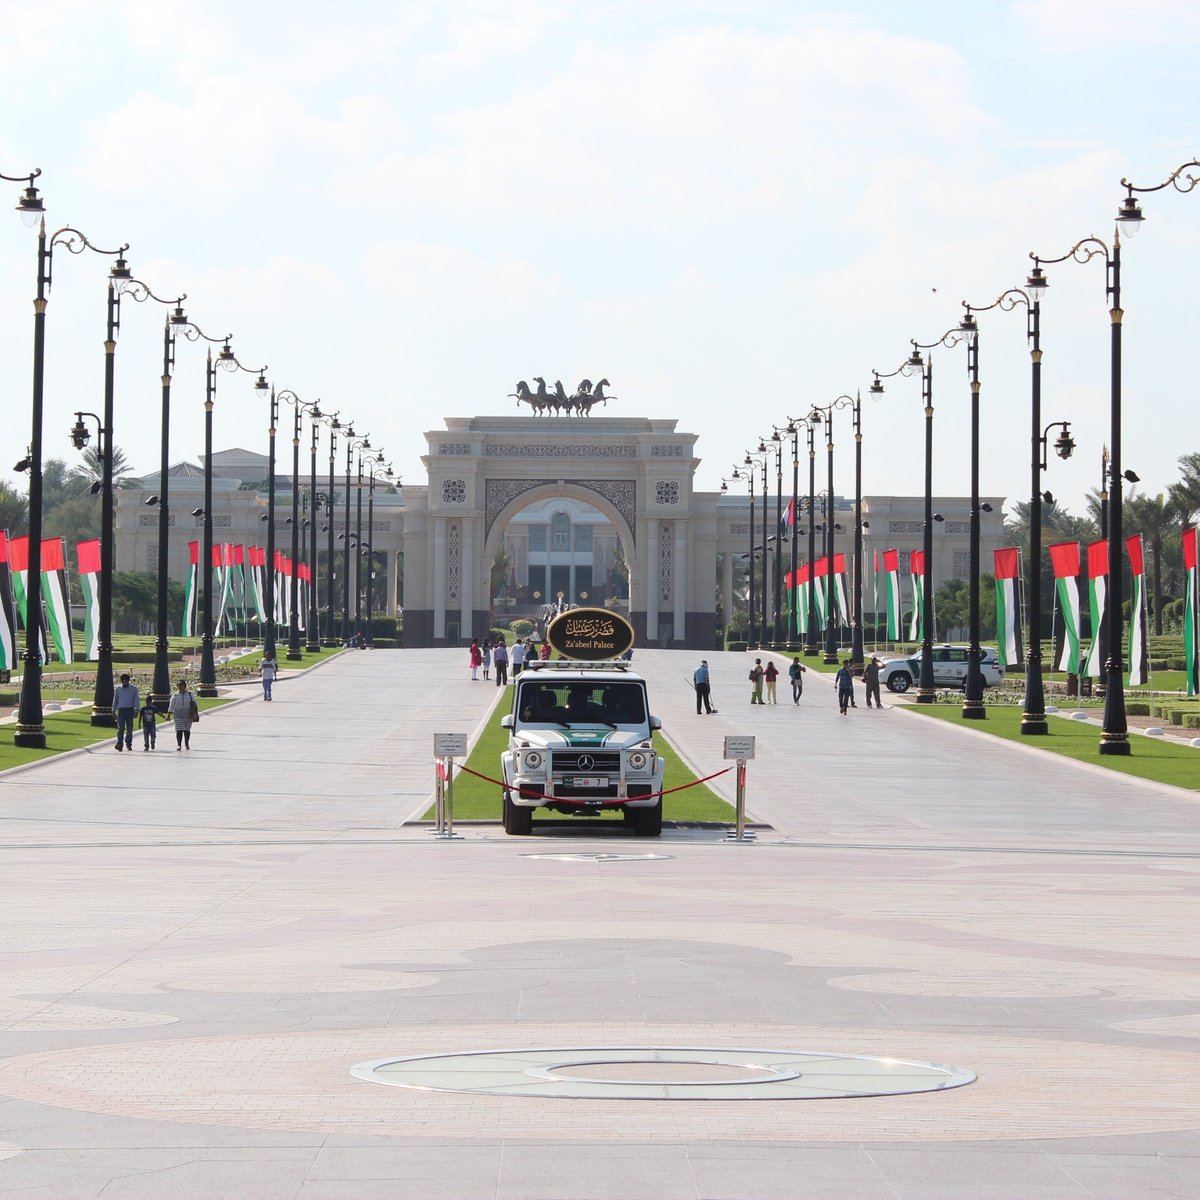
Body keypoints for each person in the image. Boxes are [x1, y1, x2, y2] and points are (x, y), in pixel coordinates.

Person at [168, 678, 198, 750]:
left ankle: (186, 743)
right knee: (179, 730)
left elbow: (194, 705)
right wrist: (168, 715)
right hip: (178, 715)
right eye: (178, 685)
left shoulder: (190, 694)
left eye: (181, 685)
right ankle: (179, 744)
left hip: (188, 715)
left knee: (187, 730)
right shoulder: (175, 695)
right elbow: (171, 705)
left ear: (185, 686)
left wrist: (195, 714)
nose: (180, 687)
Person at [113, 673, 139, 752]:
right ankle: (119, 744)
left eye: (126, 681)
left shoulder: (133, 689)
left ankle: (128, 743)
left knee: (129, 728)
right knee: (120, 728)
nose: (124, 682)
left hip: (130, 710)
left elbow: (136, 699)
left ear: (128, 681)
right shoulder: (118, 689)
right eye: (123, 681)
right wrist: (113, 711)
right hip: (121, 710)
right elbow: (115, 700)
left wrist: (136, 710)